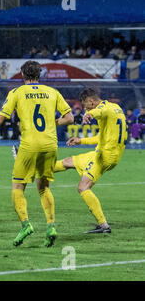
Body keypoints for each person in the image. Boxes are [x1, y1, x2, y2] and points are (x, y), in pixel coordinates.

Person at [0, 61, 74, 247]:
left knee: (18, 187)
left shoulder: (16, 93)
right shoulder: (52, 92)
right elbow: (70, 118)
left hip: (29, 144)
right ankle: (51, 226)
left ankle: (26, 224)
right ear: (40, 74)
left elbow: (0, 119)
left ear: (22, 73)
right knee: (43, 186)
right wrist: (51, 123)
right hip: (50, 144)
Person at [54, 88, 128, 233]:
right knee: (68, 162)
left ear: (91, 101)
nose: (85, 108)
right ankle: (35, 167)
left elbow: (99, 111)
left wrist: (89, 114)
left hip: (104, 156)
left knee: (83, 187)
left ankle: (103, 225)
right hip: (106, 152)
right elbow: (101, 137)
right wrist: (81, 141)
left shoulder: (101, 109)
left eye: (86, 106)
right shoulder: (115, 107)